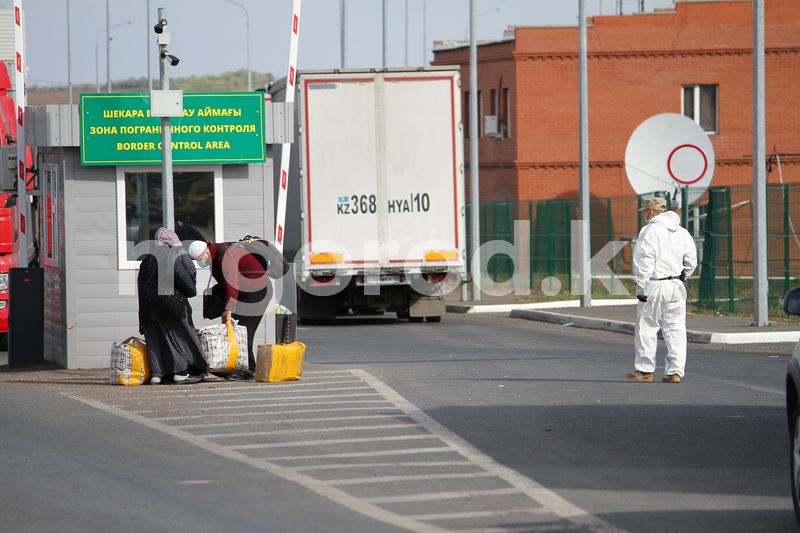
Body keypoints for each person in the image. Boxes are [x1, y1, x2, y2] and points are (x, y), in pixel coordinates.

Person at [188, 237, 287, 378]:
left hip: (257, 292)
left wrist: (229, 309)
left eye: (200, 258)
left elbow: (231, 283)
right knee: (236, 330)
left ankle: (249, 370)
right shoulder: (216, 256)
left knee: (244, 331)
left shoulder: (224, 256)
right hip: (246, 293)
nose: (200, 262)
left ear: (206, 251)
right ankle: (241, 367)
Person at [627, 197, 697, 384]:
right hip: (676, 285)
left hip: (655, 284)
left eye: (645, 211)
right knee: (675, 328)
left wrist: (641, 284)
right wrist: (684, 276)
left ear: (650, 212)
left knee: (647, 326)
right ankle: (675, 372)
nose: (644, 214)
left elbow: (644, 258)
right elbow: (691, 260)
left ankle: (645, 370)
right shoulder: (682, 232)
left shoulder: (649, 231)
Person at [137, 227, 207, 384]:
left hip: (147, 307)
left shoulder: (147, 259)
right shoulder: (174, 254)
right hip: (170, 305)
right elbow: (183, 277)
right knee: (180, 337)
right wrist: (191, 290)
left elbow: (141, 285)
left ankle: (157, 374)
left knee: (155, 340)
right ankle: (181, 371)